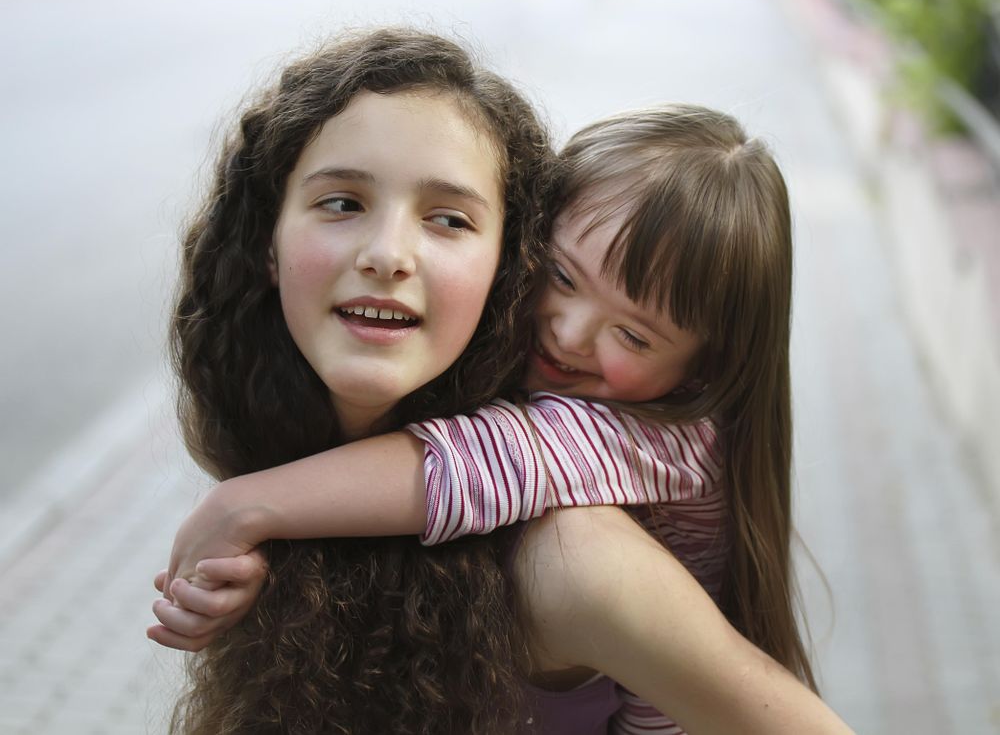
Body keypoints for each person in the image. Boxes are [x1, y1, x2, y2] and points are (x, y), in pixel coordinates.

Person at [153, 96, 855, 733]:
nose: (571, 334)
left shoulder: (668, 440)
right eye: (562, 277)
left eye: (633, 335)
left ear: (701, 369)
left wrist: (248, 508)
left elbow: (490, 459)